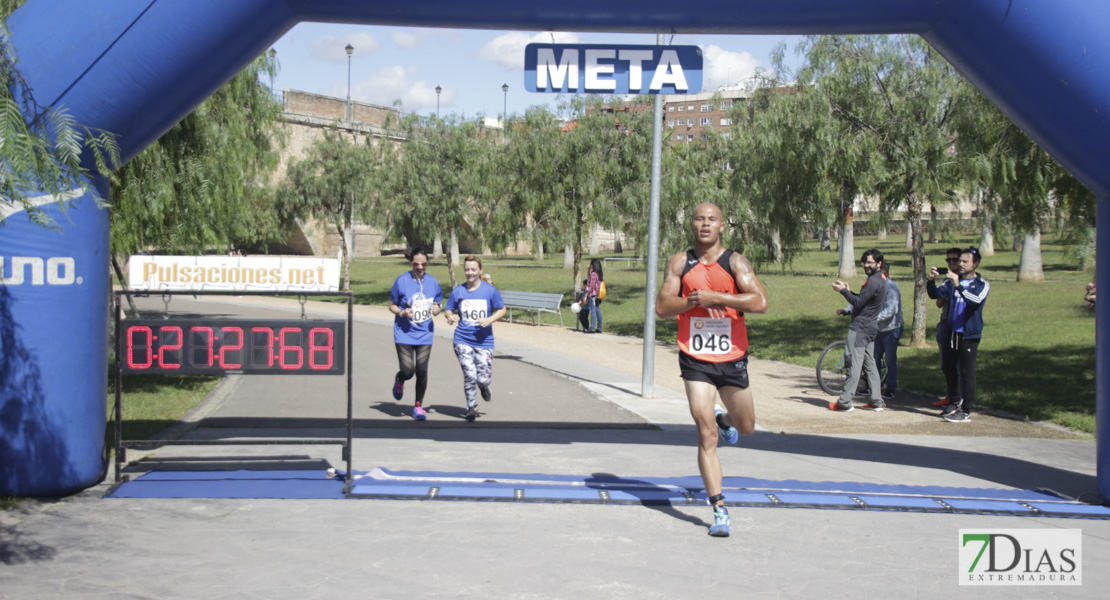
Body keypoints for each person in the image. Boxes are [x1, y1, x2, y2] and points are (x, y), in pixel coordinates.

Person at [655, 202, 768, 538]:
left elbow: (759, 302)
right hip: (695, 357)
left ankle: (726, 420)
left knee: (746, 427)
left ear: (721, 226)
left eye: (712, 219)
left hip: (732, 356)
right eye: (700, 219)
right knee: (705, 435)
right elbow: (662, 307)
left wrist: (719, 298)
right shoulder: (679, 263)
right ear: (691, 224)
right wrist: (691, 302)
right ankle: (719, 509)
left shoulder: (735, 262)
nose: (705, 224)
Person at [928, 247, 990, 423]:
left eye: (965, 262)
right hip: (951, 332)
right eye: (959, 261)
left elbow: (975, 301)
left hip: (969, 334)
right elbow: (935, 295)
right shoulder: (951, 282)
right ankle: (955, 400)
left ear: (975, 264)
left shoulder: (981, 284)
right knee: (947, 367)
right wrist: (931, 281)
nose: (960, 264)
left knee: (966, 372)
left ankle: (966, 411)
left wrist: (958, 286)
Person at [444, 256, 507, 422]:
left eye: (473, 269)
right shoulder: (458, 291)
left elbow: (502, 309)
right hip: (462, 338)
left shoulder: (489, 290)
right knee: (469, 374)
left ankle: (484, 386)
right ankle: (471, 407)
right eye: (467, 269)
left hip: (484, 340)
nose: (469, 273)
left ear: (480, 271)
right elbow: (448, 309)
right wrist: (450, 317)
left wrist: (489, 319)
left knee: (482, 377)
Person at [829, 249, 887, 413]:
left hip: (860, 329)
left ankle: (845, 401)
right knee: (870, 365)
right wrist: (849, 290)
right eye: (865, 262)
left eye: (870, 262)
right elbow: (864, 300)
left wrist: (843, 291)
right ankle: (877, 400)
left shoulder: (873, 281)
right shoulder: (881, 279)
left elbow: (859, 302)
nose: (866, 265)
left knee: (853, 365)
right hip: (870, 328)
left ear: (879, 263)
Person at [388, 247, 443, 421]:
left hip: (424, 333)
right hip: (404, 332)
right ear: (411, 262)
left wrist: (437, 309)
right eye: (416, 263)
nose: (420, 267)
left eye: (424, 263)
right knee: (408, 370)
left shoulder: (433, 283)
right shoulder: (401, 281)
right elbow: (392, 305)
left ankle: (418, 406)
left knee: (421, 370)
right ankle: (400, 378)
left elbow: (438, 304)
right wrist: (402, 313)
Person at [932, 248, 964, 408]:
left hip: (959, 327)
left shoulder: (964, 281)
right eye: (948, 260)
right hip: (944, 324)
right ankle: (951, 395)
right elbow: (938, 301)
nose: (951, 263)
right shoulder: (947, 281)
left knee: (958, 365)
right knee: (946, 364)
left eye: (955, 260)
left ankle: (959, 398)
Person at [873, 261, 903, 400]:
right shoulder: (875, 285)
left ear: (886, 272)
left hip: (892, 328)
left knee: (890, 360)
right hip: (878, 328)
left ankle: (891, 388)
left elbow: (891, 310)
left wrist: (874, 318)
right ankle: (874, 387)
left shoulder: (891, 287)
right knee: (874, 358)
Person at [584, 258, 604, 333]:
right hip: (597, 295)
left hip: (592, 295)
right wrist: (588, 271)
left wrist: (586, 296)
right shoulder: (598, 273)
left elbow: (590, 286)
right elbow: (589, 280)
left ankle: (592, 328)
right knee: (597, 310)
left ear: (593, 265)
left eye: (591, 264)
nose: (590, 265)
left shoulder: (594, 274)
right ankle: (599, 328)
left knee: (593, 311)